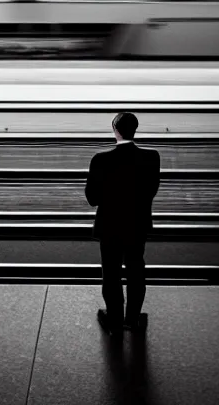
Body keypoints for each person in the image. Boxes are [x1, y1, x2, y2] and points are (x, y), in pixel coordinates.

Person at [85, 112, 160, 338]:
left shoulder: (100, 159)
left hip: (110, 225)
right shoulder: (151, 157)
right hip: (137, 224)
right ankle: (133, 319)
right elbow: (150, 192)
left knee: (111, 271)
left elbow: (92, 198)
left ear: (114, 129)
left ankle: (115, 320)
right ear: (135, 129)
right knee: (136, 269)